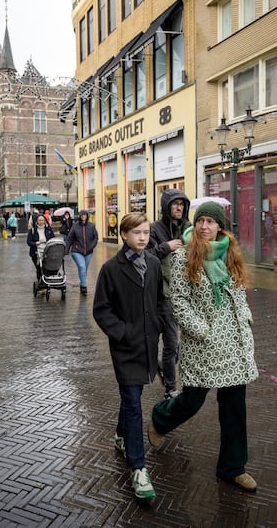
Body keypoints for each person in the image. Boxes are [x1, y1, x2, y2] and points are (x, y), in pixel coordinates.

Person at [147, 201, 259, 493]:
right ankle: (160, 419)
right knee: (192, 401)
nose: (205, 226)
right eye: (201, 221)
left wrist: (246, 318)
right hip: (204, 343)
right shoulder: (184, 257)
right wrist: (201, 330)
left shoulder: (230, 254)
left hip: (233, 341)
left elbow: (238, 292)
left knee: (234, 407)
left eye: (211, 221)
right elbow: (179, 301)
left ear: (220, 226)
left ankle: (233, 467)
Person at [93, 213, 173, 500]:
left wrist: (162, 326)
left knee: (133, 396)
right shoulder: (111, 269)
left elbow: (160, 301)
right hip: (126, 348)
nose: (143, 237)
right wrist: (123, 332)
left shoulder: (152, 263)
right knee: (133, 402)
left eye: (146, 232)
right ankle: (138, 468)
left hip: (148, 345)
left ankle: (120, 435)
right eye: (137, 232)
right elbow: (101, 310)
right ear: (124, 234)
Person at [146, 189, 191, 399]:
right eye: (175, 204)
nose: (179, 207)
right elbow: (145, 256)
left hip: (185, 295)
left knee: (182, 343)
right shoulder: (154, 229)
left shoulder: (187, 228)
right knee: (170, 344)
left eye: (182, 204)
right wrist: (165, 247)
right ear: (166, 207)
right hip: (161, 297)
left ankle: (165, 367)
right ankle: (171, 389)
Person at [65, 209, 98, 296]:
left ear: (87, 216)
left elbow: (95, 238)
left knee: (84, 269)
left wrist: (92, 246)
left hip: (88, 252)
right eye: (81, 215)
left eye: (85, 215)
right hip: (77, 250)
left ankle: (82, 283)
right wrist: (66, 249)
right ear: (79, 216)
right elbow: (70, 238)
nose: (83, 216)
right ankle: (84, 286)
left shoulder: (91, 226)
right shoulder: (75, 226)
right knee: (82, 266)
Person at [27, 213, 54, 285]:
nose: (41, 222)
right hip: (36, 252)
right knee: (39, 268)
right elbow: (29, 242)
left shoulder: (49, 229)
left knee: (46, 268)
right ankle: (40, 283)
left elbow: (53, 238)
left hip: (47, 251)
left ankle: (46, 282)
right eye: (39, 220)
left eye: (42, 220)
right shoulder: (33, 230)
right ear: (36, 221)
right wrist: (35, 243)